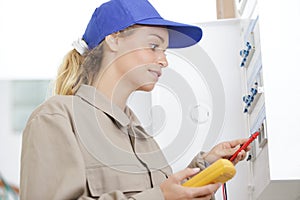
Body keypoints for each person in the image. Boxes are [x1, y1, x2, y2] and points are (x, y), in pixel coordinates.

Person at [20, 0, 250, 199]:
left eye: (164, 51)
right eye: (153, 46)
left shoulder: (142, 136)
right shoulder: (56, 117)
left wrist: (204, 169)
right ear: (114, 39)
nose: (163, 61)